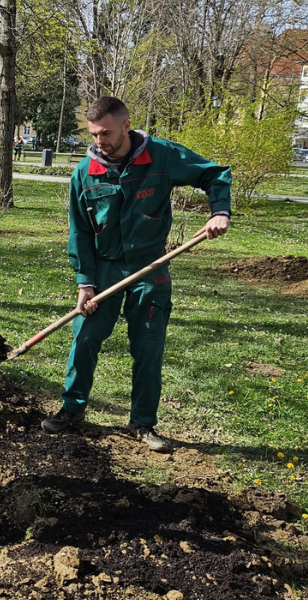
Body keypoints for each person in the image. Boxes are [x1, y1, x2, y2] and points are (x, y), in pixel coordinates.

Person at [42, 96, 232, 453]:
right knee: (85, 338)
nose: (100, 141)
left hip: (151, 266)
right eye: (94, 134)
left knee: (148, 346)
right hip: (104, 268)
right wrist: (85, 282)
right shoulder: (85, 173)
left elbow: (213, 173)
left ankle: (143, 423)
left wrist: (219, 211)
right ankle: (72, 409)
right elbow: (79, 232)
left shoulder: (160, 156)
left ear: (127, 126)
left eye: (106, 133)